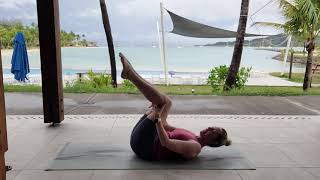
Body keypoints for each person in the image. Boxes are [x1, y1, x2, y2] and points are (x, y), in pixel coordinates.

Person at [119, 53, 231, 161]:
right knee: (165, 102)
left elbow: (166, 142)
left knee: (164, 104)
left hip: (146, 148)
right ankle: (130, 73)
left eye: (212, 131)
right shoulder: (193, 136)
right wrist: (157, 111)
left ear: (214, 142)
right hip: (146, 140)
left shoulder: (195, 147)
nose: (209, 128)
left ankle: (130, 74)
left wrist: (157, 117)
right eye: (211, 127)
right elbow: (166, 126)